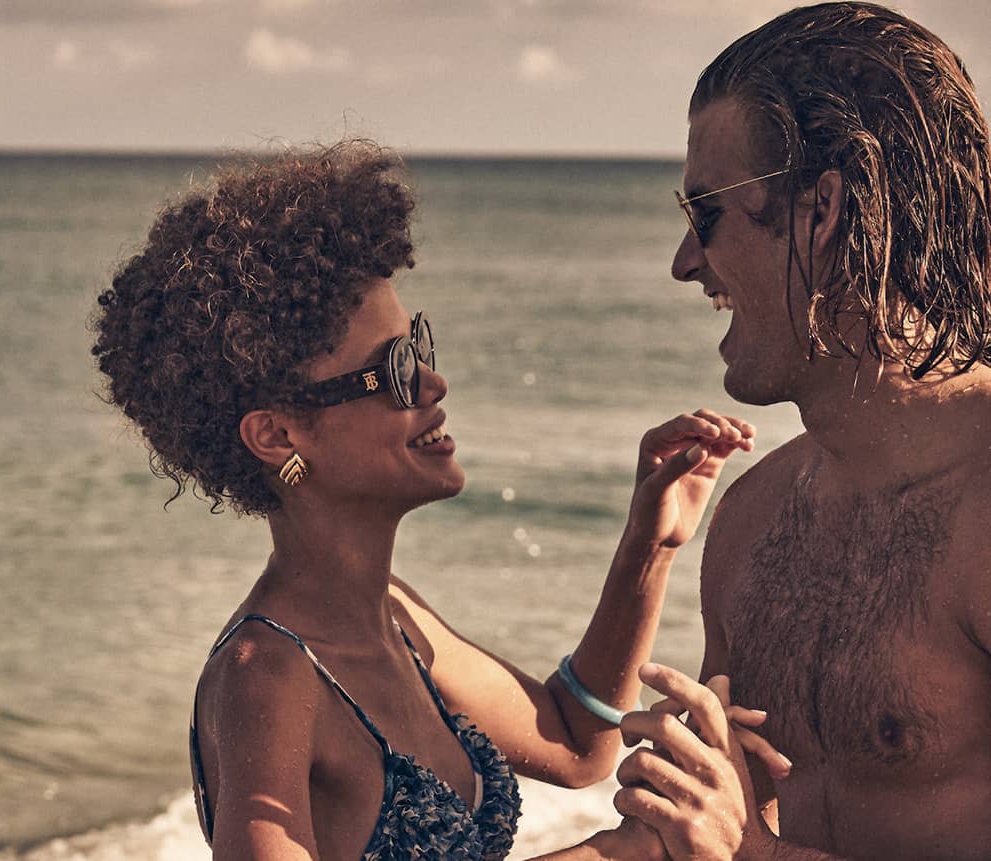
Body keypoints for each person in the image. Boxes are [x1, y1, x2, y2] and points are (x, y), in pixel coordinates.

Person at [91, 141, 770, 860]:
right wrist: (624, 851)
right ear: (277, 433)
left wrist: (649, 545)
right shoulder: (267, 676)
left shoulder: (398, 618)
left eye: (416, 345)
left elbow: (575, 743)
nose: (431, 384)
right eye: (391, 368)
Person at [611, 4, 991, 860]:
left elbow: (747, 847)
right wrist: (675, 807)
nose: (682, 260)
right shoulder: (751, 520)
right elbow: (729, 826)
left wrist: (751, 854)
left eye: (705, 212)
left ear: (822, 211)